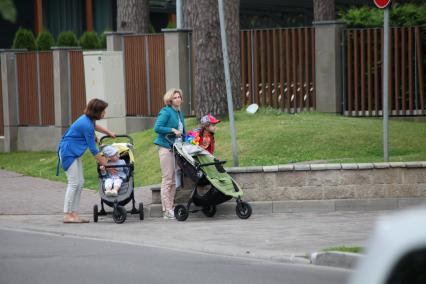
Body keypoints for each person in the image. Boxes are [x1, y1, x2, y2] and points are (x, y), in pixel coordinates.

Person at [58, 98, 115, 223]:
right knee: (73, 183)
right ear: (97, 111)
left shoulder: (88, 120)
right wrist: (107, 165)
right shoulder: (86, 124)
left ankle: (74, 214)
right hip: (68, 153)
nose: (105, 113)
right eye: (103, 111)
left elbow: (95, 126)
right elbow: (94, 151)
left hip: (74, 152)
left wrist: (108, 132)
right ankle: (67, 214)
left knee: (80, 182)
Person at [154, 88, 185, 219]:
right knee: (168, 179)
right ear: (170, 100)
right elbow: (157, 128)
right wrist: (172, 129)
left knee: (174, 180)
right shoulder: (166, 111)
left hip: (176, 148)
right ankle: (166, 210)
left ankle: (170, 207)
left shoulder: (179, 113)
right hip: (166, 147)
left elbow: (182, 131)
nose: (178, 99)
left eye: (179, 97)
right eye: (175, 97)